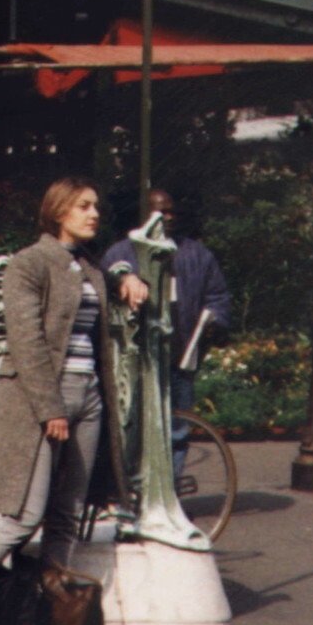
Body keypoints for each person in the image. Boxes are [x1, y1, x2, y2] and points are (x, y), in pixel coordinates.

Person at [0, 176, 145, 625]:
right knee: (23, 517)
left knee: (68, 513)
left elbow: (114, 268)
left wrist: (128, 275)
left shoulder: (88, 264)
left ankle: (52, 617)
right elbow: (26, 341)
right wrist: (49, 407)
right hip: (39, 401)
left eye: (95, 206)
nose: (94, 213)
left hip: (88, 397)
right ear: (58, 211)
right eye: (83, 206)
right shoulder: (29, 264)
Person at [102, 189, 232, 476]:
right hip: (137, 360)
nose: (166, 218)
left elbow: (217, 296)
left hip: (179, 358)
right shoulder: (122, 252)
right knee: (134, 428)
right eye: (158, 211)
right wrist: (124, 278)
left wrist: (215, 324)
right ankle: (135, 496)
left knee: (177, 430)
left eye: (171, 211)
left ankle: (170, 498)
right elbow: (108, 276)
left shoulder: (197, 255)